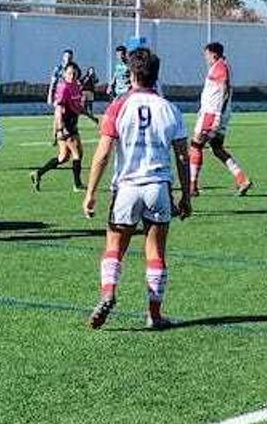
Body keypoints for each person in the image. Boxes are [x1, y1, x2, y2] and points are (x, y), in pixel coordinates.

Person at [81, 47, 191, 330]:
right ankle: (154, 315)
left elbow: (103, 153)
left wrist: (91, 192)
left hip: (127, 188)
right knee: (155, 251)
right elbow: (182, 156)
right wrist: (186, 195)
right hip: (158, 187)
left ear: (131, 74)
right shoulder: (170, 109)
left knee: (114, 247)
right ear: (156, 76)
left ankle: (108, 293)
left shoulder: (118, 106)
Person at [190, 42, 252, 195]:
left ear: (214, 54)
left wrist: (217, 114)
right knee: (217, 148)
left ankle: (192, 186)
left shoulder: (220, 66)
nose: (206, 58)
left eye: (207, 55)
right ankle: (242, 179)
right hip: (216, 113)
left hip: (212, 114)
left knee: (195, 146)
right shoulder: (221, 65)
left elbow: (223, 89)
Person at [32, 61, 89, 191]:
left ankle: (38, 173)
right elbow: (59, 110)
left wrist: (91, 117)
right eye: (69, 73)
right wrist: (60, 129)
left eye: (74, 73)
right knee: (77, 153)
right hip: (66, 124)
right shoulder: (63, 88)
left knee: (63, 157)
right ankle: (77, 184)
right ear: (64, 74)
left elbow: (78, 106)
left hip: (72, 123)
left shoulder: (76, 86)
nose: (72, 75)